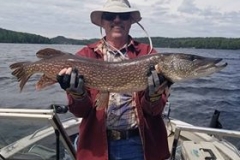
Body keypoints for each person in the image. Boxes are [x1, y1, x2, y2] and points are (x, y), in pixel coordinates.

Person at [57, 0, 172, 159]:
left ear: (131, 21)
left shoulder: (149, 55)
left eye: (123, 16)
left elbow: (154, 111)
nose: (117, 20)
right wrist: (77, 94)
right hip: (97, 146)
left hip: (138, 144)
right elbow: (80, 112)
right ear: (103, 22)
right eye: (110, 15)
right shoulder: (85, 56)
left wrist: (153, 96)